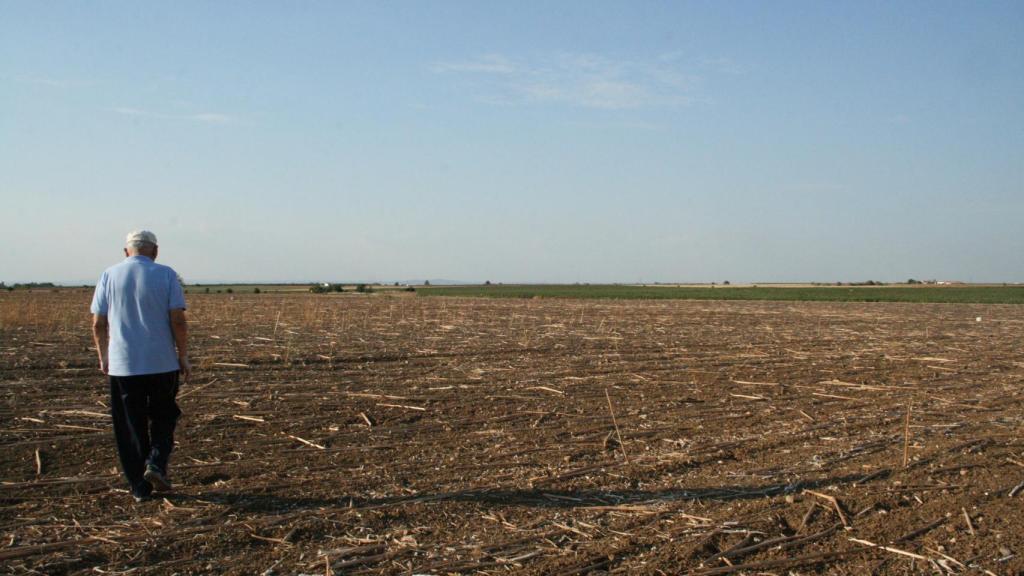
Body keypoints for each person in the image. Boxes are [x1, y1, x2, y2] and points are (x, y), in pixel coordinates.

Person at [91, 230, 191, 502]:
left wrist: (103, 356)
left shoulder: (109, 275)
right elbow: (178, 320)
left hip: (123, 366)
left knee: (129, 425)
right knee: (164, 416)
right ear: (155, 251)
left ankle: (139, 488)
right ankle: (156, 463)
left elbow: (98, 323)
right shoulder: (167, 274)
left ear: (126, 252)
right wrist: (182, 355)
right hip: (162, 364)